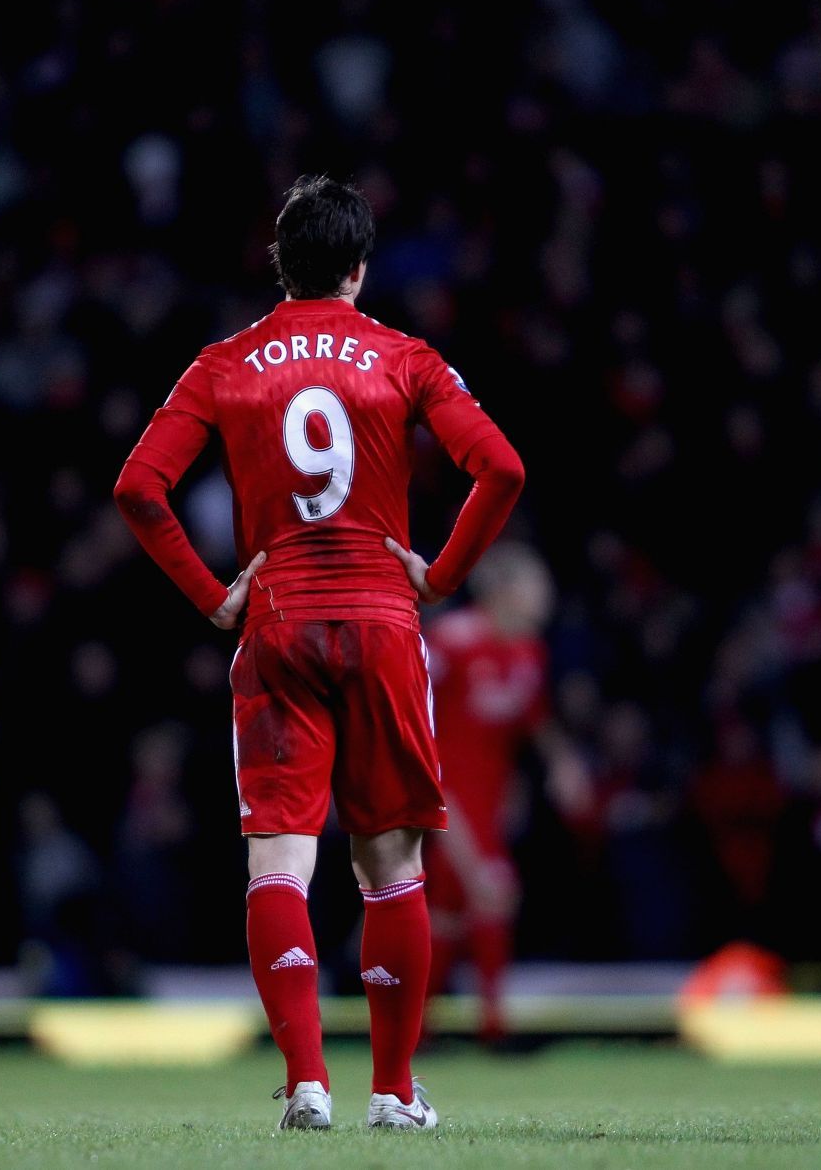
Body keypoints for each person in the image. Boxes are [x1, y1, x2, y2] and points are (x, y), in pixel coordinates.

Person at [113, 175, 524, 1131]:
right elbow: (502, 466)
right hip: (382, 623)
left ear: (280, 264)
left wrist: (213, 594)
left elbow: (139, 487)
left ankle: (305, 1080)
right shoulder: (402, 355)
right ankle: (393, 1092)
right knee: (392, 872)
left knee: (278, 870)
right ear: (359, 268)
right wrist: (443, 574)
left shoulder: (224, 364)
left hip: (280, 623)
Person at [422, 542, 585, 1042]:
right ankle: (493, 1028)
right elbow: (412, 714)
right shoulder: (450, 643)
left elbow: (532, 722)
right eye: (537, 588)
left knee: (449, 913)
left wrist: (561, 763)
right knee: (490, 891)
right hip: (445, 793)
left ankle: (418, 1032)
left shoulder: (528, 653)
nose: (545, 599)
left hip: (491, 799)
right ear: (504, 592)